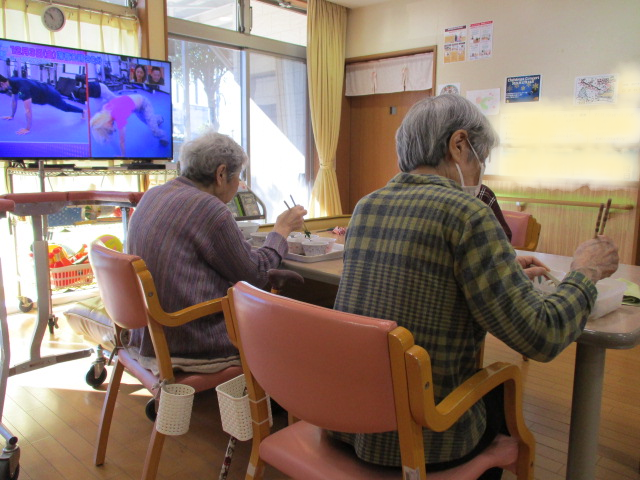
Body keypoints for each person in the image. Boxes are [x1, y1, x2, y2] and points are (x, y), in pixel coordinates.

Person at [330, 94, 619, 478]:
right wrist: (585, 272)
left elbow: (423, 278)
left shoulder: (367, 206)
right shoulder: (469, 214)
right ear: (459, 144)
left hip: (349, 420)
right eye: (481, 158)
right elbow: (542, 335)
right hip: (422, 438)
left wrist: (501, 271)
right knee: (498, 398)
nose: (481, 169)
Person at [126, 130, 306, 372]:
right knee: (297, 325)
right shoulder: (209, 209)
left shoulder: (153, 195)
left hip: (147, 333)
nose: (239, 184)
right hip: (189, 337)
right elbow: (257, 274)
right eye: (238, 176)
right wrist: (281, 230)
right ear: (221, 174)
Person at [0, 75, 84, 135]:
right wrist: (11, 115)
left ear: (2, 83)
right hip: (42, 93)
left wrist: (27, 128)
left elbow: (28, 110)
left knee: (65, 107)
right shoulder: (11, 82)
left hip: (49, 95)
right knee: (22, 96)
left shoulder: (22, 88)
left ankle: (83, 111)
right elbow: (14, 101)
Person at [90, 93, 169, 156]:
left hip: (144, 104)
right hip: (136, 108)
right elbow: (97, 124)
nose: (110, 127)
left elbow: (122, 140)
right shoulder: (104, 111)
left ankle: (164, 136)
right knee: (148, 121)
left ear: (105, 120)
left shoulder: (118, 114)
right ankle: (156, 120)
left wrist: (123, 155)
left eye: (108, 126)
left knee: (154, 130)